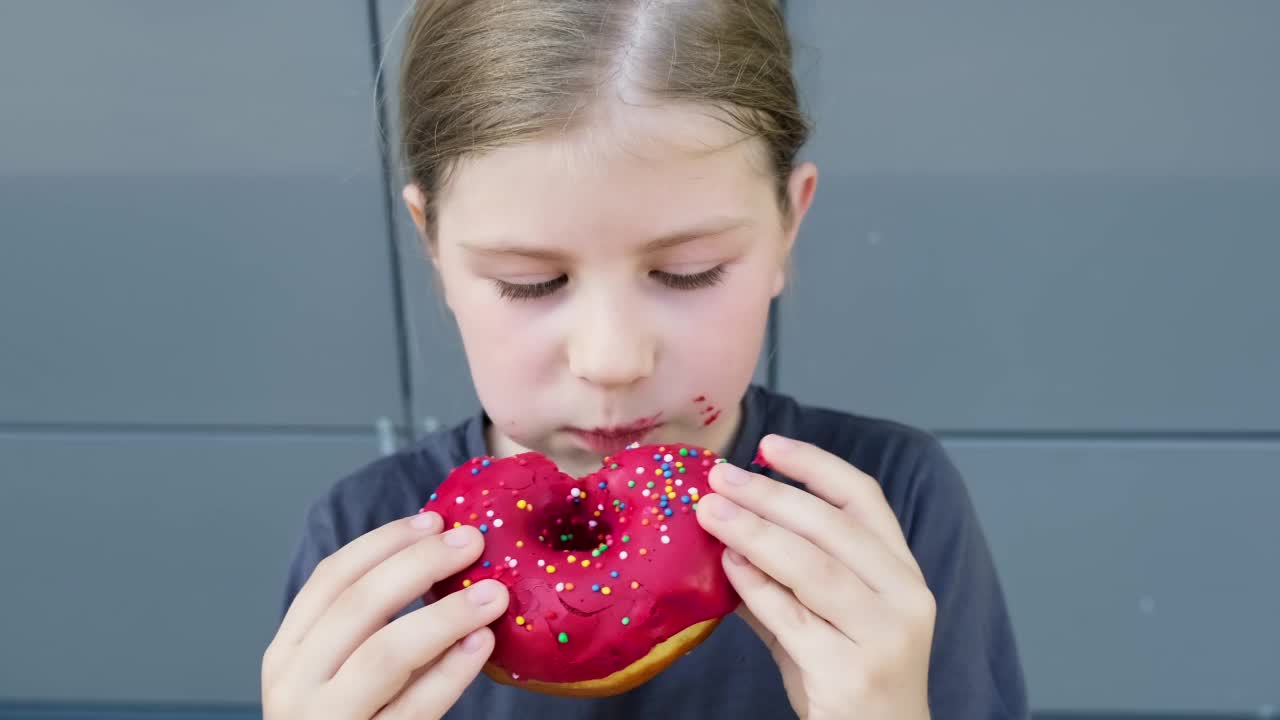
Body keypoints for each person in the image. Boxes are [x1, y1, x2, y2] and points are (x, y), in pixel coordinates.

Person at [262, 1, 1028, 717]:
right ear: (432, 245)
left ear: (788, 225)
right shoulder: (368, 544)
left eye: (688, 272)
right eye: (531, 283)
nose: (612, 360)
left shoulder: (891, 511)